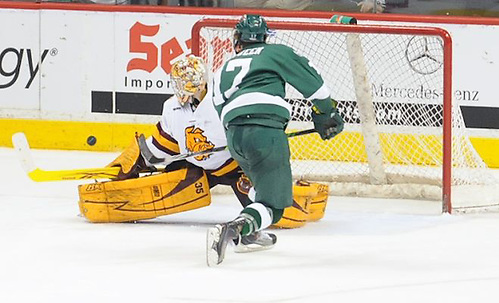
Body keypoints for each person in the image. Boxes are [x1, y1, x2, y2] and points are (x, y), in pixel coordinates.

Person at [78, 55, 329, 249]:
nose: (181, 88)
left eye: (185, 84)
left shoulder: (223, 100)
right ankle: (113, 197)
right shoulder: (171, 108)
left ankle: (304, 193)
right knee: (157, 186)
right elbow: (162, 144)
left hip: (235, 166)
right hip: (195, 167)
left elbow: (249, 135)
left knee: (280, 213)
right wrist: (135, 162)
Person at [206, 14, 344, 266]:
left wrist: (244, 131)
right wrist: (327, 113)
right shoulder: (275, 53)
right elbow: (314, 86)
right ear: (265, 38)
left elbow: (219, 109)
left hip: (235, 135)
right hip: (266, 133)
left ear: (237, 40)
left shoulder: (221, 69)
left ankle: (250, 235)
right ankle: (235, 229)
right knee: (275, 205)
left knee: (261, 186)